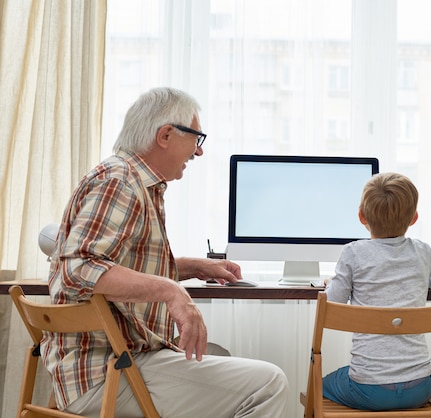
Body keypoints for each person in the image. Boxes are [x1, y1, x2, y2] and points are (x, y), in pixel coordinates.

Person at [42, 87, 289, 418]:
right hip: (106, 373)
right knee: (269, 383)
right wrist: (171, 290)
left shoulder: (131, 180)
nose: (199, 153)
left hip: (107, 362)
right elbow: (79, 269)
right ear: (166, 135)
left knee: (219, 355)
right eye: (197, 139)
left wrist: (191, 268)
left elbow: (116, 264)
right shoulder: (121, 182)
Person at [323, 172, 431, 411]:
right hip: (420, 388)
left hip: (369, 390)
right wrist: (420, 276)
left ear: (361, 216)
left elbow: (332, 302)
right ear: (414, 218)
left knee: (321, 382)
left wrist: (332, 283)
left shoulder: (353, 253)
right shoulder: (422, 252)